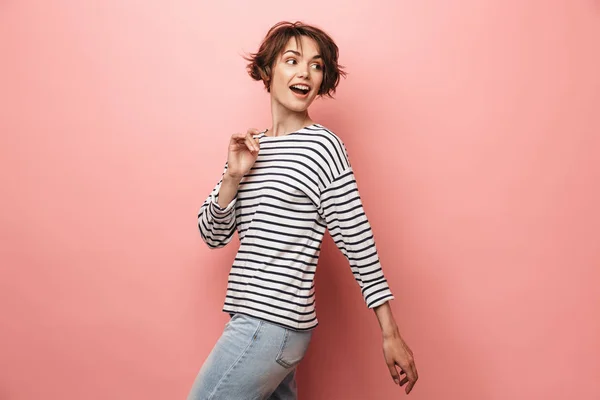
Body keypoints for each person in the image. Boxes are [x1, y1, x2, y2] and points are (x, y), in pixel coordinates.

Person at [188, 21, 418, 400]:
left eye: (316, 65)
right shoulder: (252, 147)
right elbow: (212, 234)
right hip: (257, 321)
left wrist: (390, 332)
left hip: (269, 325)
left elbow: (357, 240)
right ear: (267, 70)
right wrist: (233, 177)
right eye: (292, 60)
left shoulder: (321, 147)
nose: (305, 73)